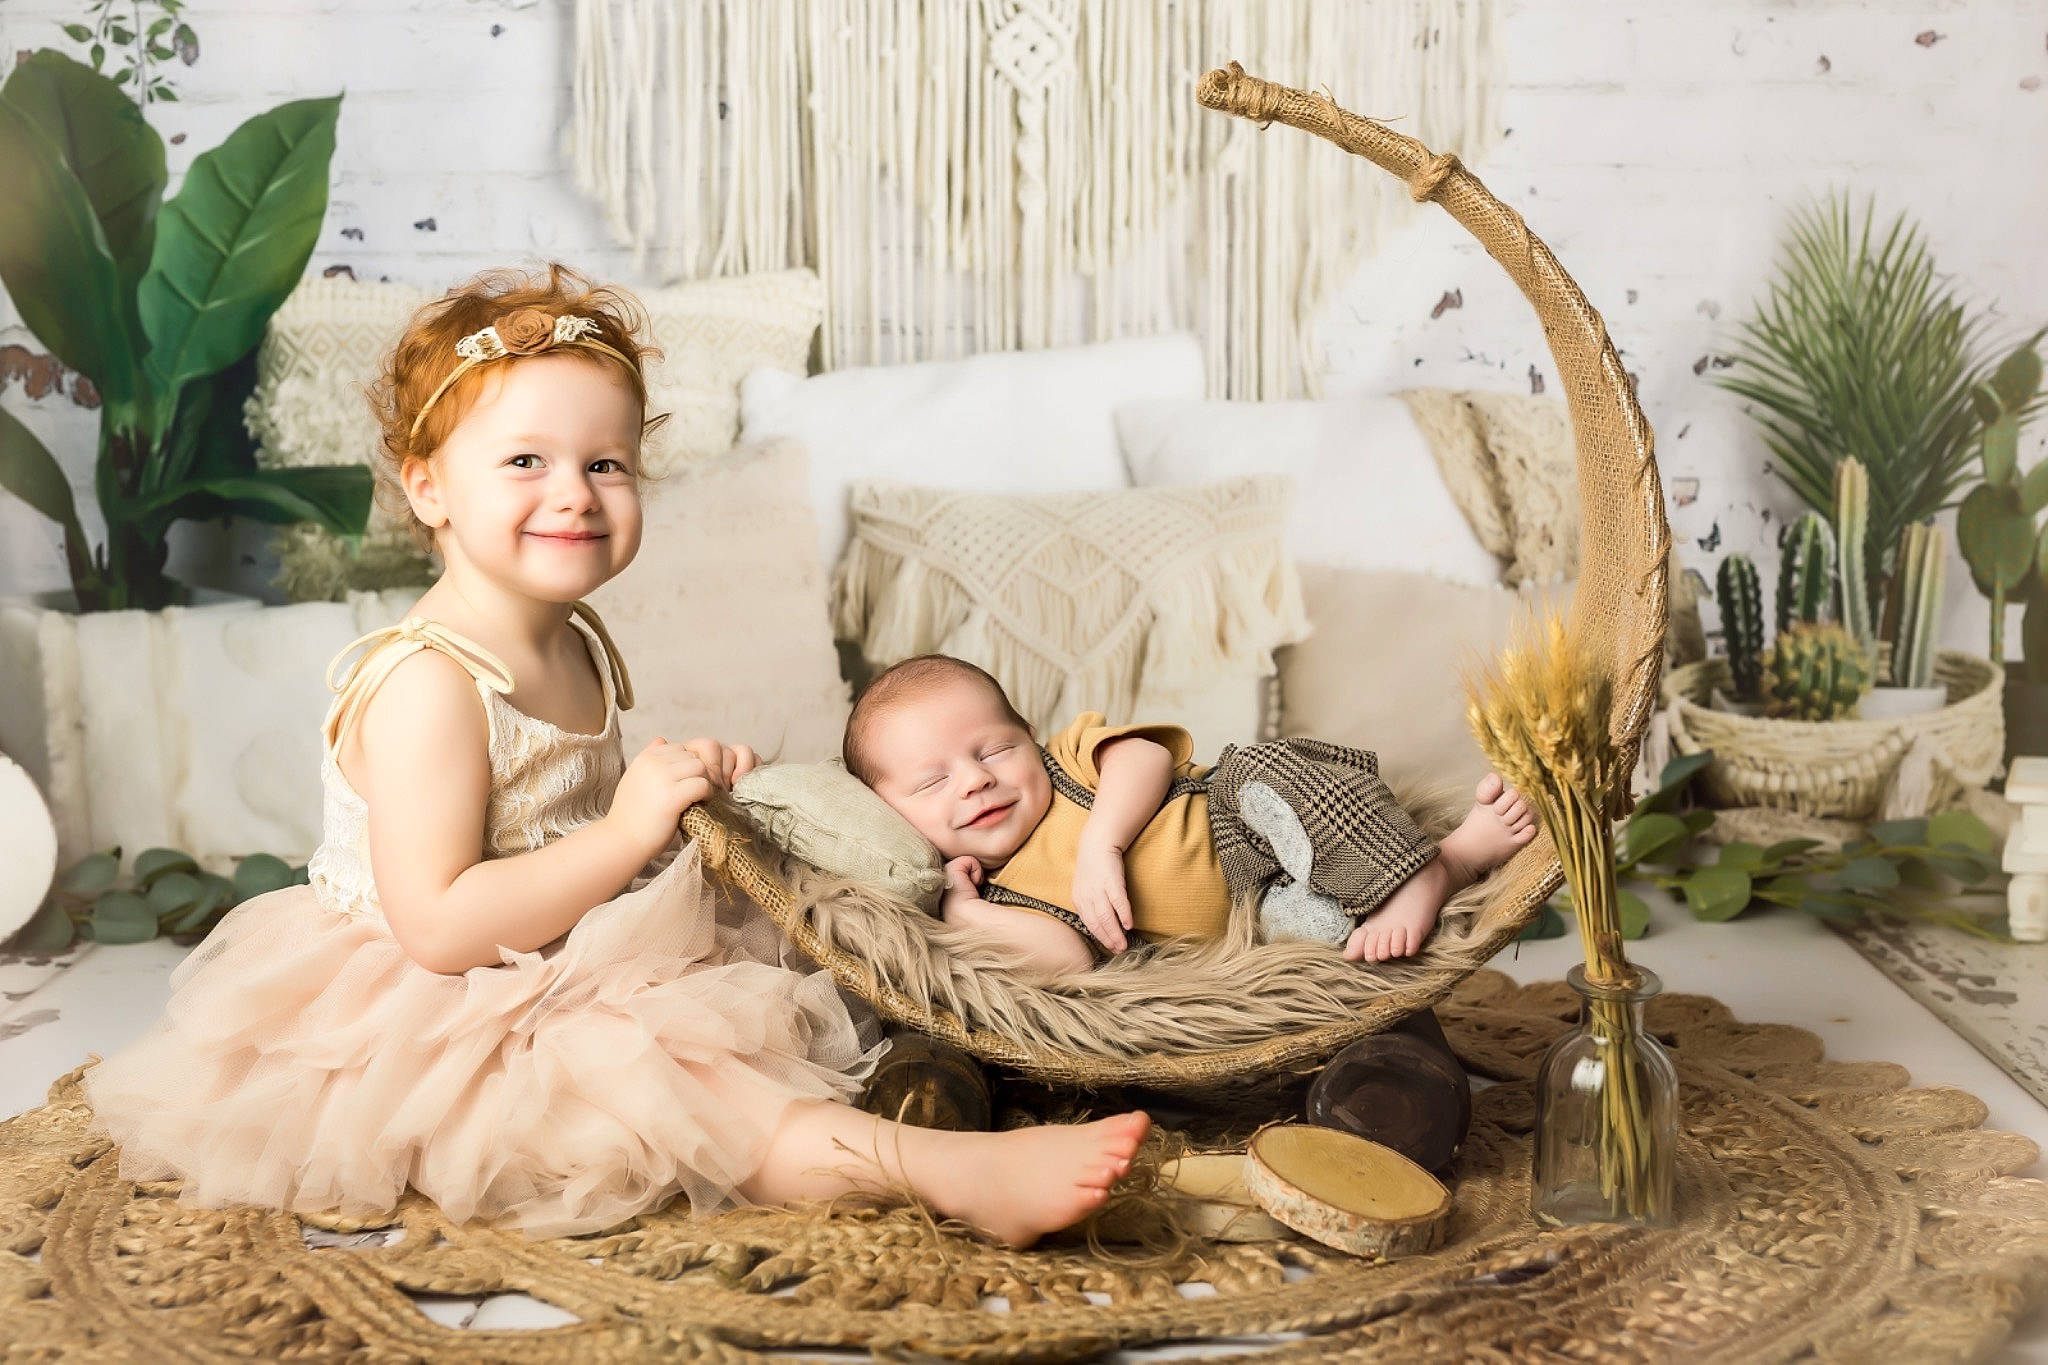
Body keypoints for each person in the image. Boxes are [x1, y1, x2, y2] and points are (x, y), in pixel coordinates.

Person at [83, 265, 1147, 1247]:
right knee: (684, 1081)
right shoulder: (429, 684)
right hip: (436, 1000)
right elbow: (439, 925)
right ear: (428, 488)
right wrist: (631, 829)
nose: (574, 493)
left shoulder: (572, 637)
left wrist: (677, 791)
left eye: (606, 463)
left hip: (560, 940)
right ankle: (947, 1174)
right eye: (524, 461)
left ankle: (962, 1069)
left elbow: (562, 812)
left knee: (807, 952)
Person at [843, 655, 1537, 975]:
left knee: (1264, 770)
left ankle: (1430, 866)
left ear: (1029, 735)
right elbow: (1066, 957)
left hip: (1242, 825)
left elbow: (1146, 756)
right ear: (887, 813)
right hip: (1252, 923)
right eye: (933, 781)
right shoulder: (997, 896)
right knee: (1319, 940)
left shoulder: (1065, 762)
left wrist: (1103, 844)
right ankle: (1447, 867)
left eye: (995, 748)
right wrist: (963, 912)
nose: (976, 779)